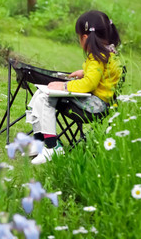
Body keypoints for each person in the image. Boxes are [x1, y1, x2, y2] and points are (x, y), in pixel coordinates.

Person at [26, 10, 123, 165]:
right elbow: (103, 74)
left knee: (45, 97)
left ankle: (52, 147)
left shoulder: (98, 57)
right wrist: (84, 72)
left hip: (94, 106)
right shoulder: (107, 54)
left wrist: (64, 86)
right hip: (95, 100)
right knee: (40, 94)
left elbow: (89, 84)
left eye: (79, 37)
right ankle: (38, 142)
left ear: (85, 38)